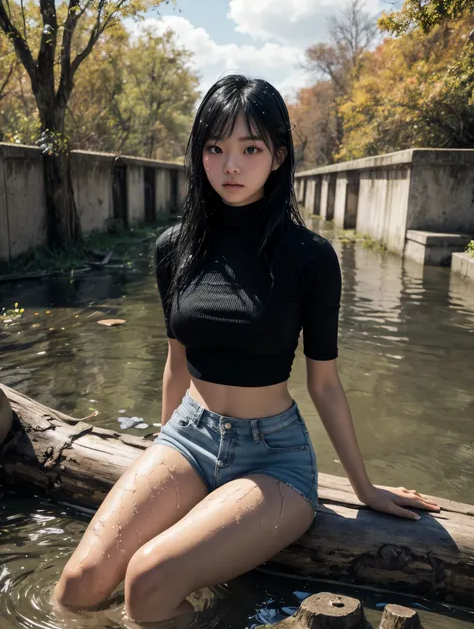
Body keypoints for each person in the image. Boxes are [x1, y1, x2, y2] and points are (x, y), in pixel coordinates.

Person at [52, 74, 440, 624]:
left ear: (278, 155)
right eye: (215, 148)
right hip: (188, 438)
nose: (230, 165)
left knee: (147, 581)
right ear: (199, 153)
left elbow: (324, 383)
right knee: (77, 585)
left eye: (250, 148)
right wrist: (166, 460)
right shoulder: (173, 247)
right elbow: (176, 361)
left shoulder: (310, 258)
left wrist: (365, 488)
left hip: (273, 460)